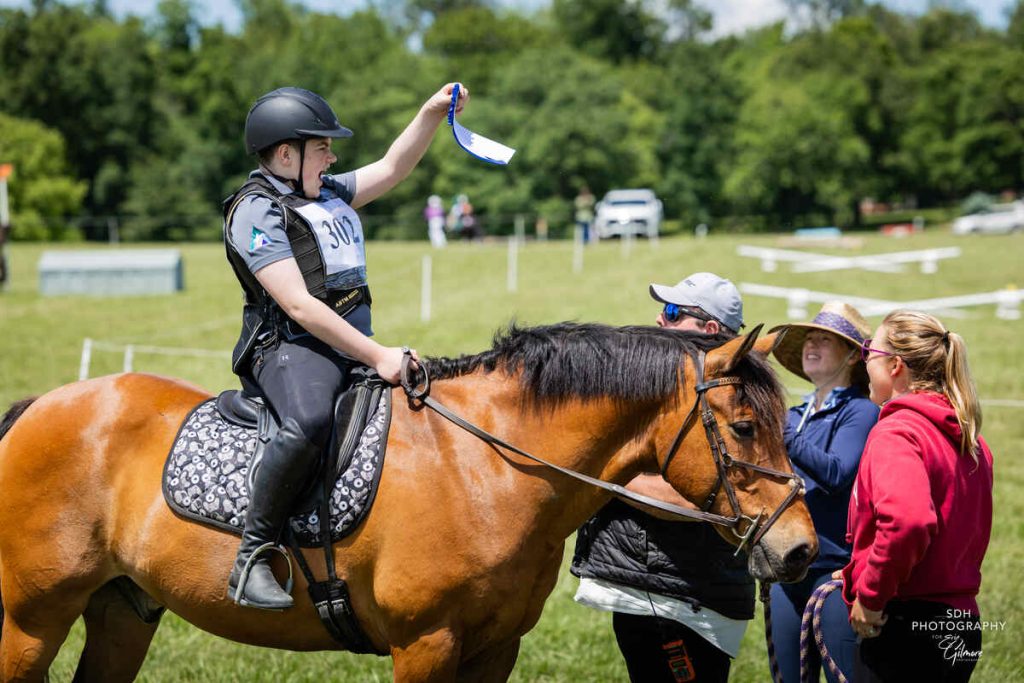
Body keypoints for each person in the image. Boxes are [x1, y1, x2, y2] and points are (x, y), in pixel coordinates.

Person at [222, 83, 468, 610]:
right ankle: (253, 553)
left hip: (346, 344)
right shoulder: (254, 211)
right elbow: (300, 307)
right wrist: (377, 356)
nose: (333, 155)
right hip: (289, 347)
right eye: (322, 147)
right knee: (310, 420)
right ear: (286, 154)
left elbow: (392, 168)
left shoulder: (325, 190)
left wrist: (429, 112)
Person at [572, 272, 750, 683]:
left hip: (684, 600)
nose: (659, 319)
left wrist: (605, 471)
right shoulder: (679, 384)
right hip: (647, 589)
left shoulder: (729, 402)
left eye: (673, 313)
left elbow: (705, 500)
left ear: (709, 330)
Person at [842, 310, 993, 682]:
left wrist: (871, 595)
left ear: (895, 366)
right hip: (960, 624)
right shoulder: (971, 440)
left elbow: (908, 522)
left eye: (868, 353)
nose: (864, 363)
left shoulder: (897, 432)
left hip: (904, 627)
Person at [767, 302, 879, 682]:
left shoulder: (861, 412)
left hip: (834, 571)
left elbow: (836, 472)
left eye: (824, 340)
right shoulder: (796, 415)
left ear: (851, 355)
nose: (811, 346)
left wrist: (780, 436)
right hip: (789, 569)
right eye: (808, 339)